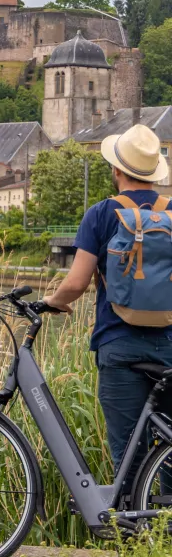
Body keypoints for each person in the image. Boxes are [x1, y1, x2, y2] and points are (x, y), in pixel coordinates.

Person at [44, 123, 172, 476]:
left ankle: (128, 528)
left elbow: (76, 283)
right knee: (170, 459)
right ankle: (161, 527)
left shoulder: (101, 214)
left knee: (129, 456)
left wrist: (53, 300)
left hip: (118, 345)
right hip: (169, 344)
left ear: (117, 170)